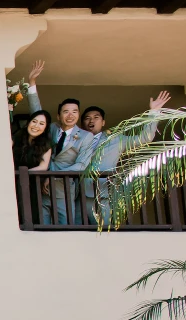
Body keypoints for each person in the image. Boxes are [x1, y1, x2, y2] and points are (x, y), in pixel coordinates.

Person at [79, 91, 171, 226]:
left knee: (106, 231)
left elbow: (145, 138)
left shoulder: (115, 139)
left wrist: (154, 112)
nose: (91, 120)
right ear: (82, 123)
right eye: (87, 118)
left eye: (96, 117)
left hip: (103, 193)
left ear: (103, 122)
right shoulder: (76, 140)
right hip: (76, 193)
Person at [23, 60, 94, 224]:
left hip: (65, 187)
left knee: (66, 224)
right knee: (42, 223)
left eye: (74, 112)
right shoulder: (53, 128)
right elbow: (37, 114)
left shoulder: (85, 136)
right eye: (66, 112)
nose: (70, 115)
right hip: (42, 185)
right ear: (58, 116)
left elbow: (82, 165)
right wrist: (32, 83)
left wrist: (53, 176)